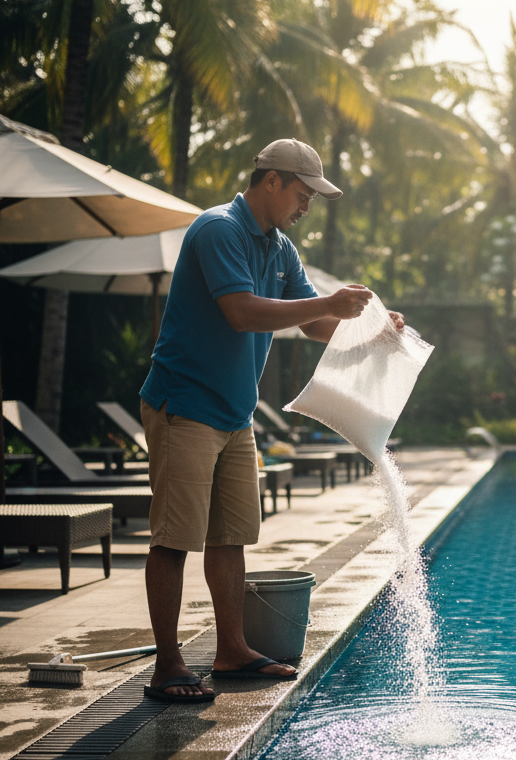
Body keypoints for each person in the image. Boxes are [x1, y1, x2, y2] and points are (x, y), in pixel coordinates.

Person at [138, 138, 403, 702]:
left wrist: (373, 329)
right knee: (174, 538)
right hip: (184, 405)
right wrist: (330, 305)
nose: (306, 206)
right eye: (303, 193)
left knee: (230, 536)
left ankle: (231, 650)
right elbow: (242, 313)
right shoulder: (218, 230)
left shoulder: (280, 248)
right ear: (272, 181)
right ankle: (167, 664)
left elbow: (310, 325)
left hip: (235, 414)